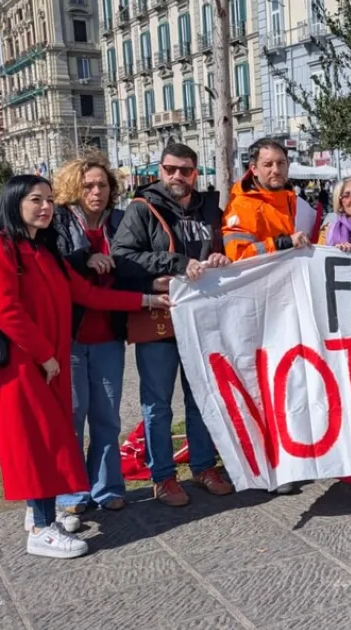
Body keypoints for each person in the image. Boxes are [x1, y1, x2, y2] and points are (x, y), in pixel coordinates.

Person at [0, 175, 167, 558]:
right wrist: (45, 355)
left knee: (49, 441)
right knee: (38, 444)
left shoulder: (44, 252)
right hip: (22, 367)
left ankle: (39, 514)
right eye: (35, 200)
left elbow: (89, 295)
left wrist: (149, 301)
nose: (45, 207)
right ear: (14, 203)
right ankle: (43, 529)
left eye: (49, 200)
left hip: (49, 366)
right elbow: (6, 312)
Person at [111, 143, 236, 507]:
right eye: (170, 169)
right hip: (159, 319)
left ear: (196, 173)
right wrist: (176, 263)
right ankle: (162, 477)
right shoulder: (141, 208)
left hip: (201, 319)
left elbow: (224, 248)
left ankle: (202, 465)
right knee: (158, 403)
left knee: (201, 397)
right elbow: (123, 257)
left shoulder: (208, 208)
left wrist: (219, 255)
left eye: (185, 170)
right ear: (159, 170)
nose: (177, 176)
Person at [51, 157, 132, 522]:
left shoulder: (120, 222)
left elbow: (134, 261)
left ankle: (108, 487)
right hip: (68, 337)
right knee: (72, 415)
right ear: (74, 188)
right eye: (88, 186)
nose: (96, 192)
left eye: (102, 185)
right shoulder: (60, 221)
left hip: (108, 335)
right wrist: (87, 258)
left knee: (107, 415)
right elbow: (55, 266)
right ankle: (71, 490)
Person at [222, 138, 315, 264]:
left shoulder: (297, 202)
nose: (276, 170)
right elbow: (238, 256)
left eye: (281, 163)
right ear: (254, 169)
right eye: (268, 164)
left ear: (288, 165)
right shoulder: (240, 206)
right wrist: (283, 243)